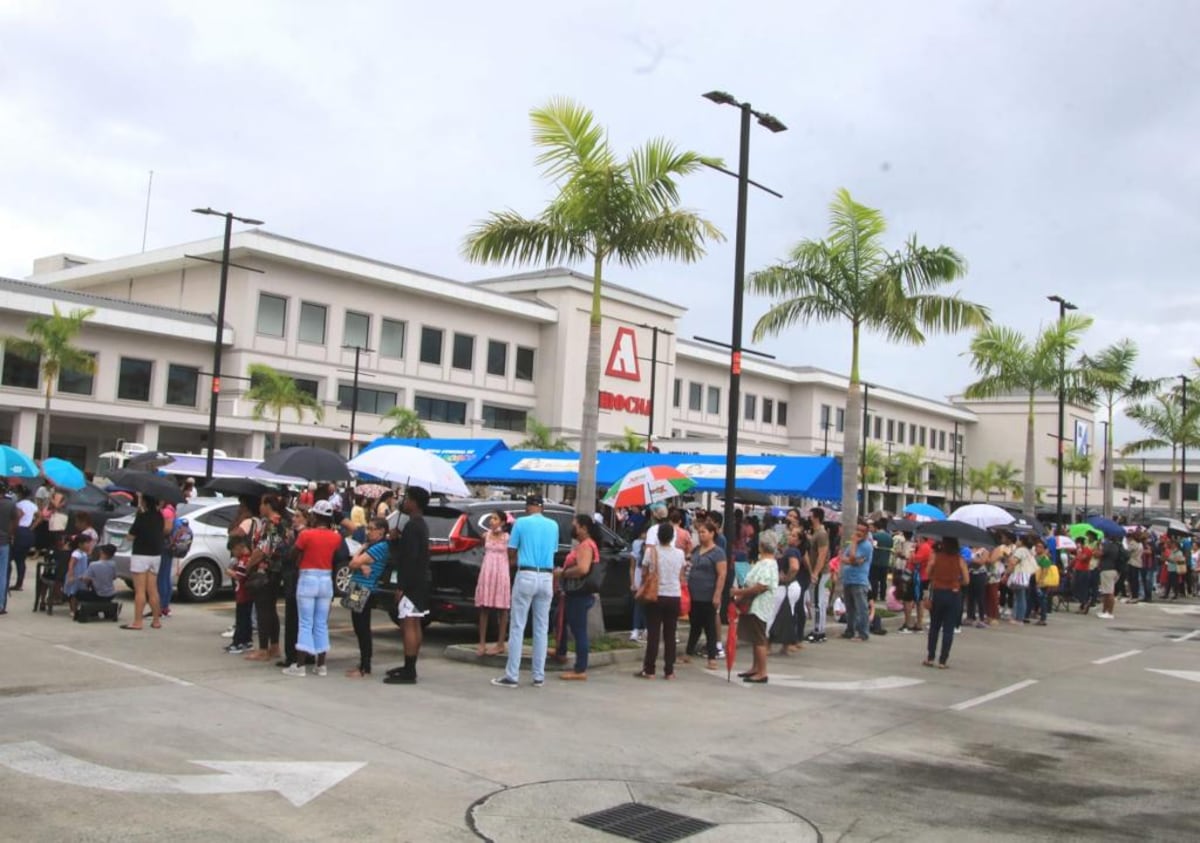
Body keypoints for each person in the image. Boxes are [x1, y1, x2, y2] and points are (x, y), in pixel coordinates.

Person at [492, 494, 557, 689]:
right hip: (546, 575)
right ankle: (539, 675)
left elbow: (511, 550)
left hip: (526, 573)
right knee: (541, 628)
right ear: (542, 508)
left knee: (518, 626)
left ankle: (512, 674)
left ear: (528, 507)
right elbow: (553, 551)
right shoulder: (553, 525)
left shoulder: (520, 523)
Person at [282, 500, 340, 677]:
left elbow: (292, 555)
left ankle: (299, 666)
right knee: (321, 623)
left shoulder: (306, 535)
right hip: (325, 579)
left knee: (305, 623)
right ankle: (321, 665)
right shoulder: (336, 536)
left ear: (315, 516)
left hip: (308, 577)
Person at [384, 486, 431, 685]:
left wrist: (401, 586)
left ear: (414, 502)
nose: (404, 501)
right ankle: (408, 665)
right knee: (415, 622)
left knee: (409, 623)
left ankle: (409, 669)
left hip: (411, 582)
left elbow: (409, 558)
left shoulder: (413, 526)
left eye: (407, 498)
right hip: (421, 580)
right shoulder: (420, 524)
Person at [635, 522, 687, 680]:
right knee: (670, 634)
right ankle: (669, 671)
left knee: (654, 634)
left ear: (658, 536)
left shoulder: (651, 552)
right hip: (674, 595)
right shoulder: (680, 554)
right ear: (672, 537)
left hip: (655, 595)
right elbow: (681, 575)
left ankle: (649, 669)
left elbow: (644, 574)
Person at [244, 495, 290, 662]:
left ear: (268, 505)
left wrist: (249, 565)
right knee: (270, 609)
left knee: (263, 608)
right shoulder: (280, 521)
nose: (260, 507)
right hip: (275, 570)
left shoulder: (273, 523)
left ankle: (263, 649)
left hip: (267, 570)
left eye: (262, 504)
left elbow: (264, 548)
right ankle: (274, 646)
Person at [730, 530, 780, 684]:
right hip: (752, 604)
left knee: (759, 639)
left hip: (759, 605)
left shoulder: (768, 564)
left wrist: (738, 591)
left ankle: (762, 671)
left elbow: (760, 587)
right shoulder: (764, 563)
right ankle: (755, 667)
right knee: (754, 637)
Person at [555, 515, 599, 681]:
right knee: (559, 618)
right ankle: (561, 651)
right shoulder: (583, 545)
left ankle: (580, 669)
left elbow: (582, 569)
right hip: (574, 593)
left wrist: (563, 573)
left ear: (584, 528)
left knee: (578, 630)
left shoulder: (586, 546)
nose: (572, 528)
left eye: (575, 525)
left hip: (579, 593)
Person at [345, 518, 391, 678]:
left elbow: (353, 563)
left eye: (372, 529)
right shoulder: (371, 546)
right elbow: (355, 564)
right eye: (368, 529)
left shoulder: (380, 547)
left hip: (364, 588)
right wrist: (361, 559)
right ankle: (363, 663)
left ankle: (365, 665)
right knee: (358, 627)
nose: (368, 532)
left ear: (381, 531)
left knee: (362, 628)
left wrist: (360, 554)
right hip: (357, 586)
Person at [683, 519, 727, 670]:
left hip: (708, 594)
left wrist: (717, 594)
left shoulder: (718, 553)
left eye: (703, 532)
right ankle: (688, 653)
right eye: (699, 532)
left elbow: (722, 575)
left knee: (710, 627)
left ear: (712, 534)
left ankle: (712, 657)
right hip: (693, 593)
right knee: (695, 625)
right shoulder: (696, 550)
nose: (700, 535)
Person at [924, 538, 969, 668]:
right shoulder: (960, 559)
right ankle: (943, 661)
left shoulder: (936, 557)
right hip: (953, 594)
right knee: (948, 629)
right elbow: (966, 580)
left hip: (938, 592)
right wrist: (956, 582)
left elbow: (927, 573)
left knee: (934, 627)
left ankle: (930, 657)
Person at [121, 494, 163, 630]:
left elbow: (131, 536)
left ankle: (137, 622)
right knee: (153, 589)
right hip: (156, 555)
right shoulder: (160, 516)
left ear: (144, 502)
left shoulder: (141, 516)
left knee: (140, 590)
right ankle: (156, 620)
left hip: (141, 554)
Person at [475, 510, 511, 657]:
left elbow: (512, 555)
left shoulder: (507, 537)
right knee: (484, 607)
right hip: (487, 572)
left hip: (501, 572)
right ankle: (482, 643)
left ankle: (500, 643)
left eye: (495, 519)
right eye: (491, 518)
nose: (492, 521)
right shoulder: (486, 535)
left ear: (502, 522)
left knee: (502, 609)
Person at [840, 521, 874, 642]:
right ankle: (850, 630)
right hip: (848, 579)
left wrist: (854, 542)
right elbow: (843, 558)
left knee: (861, 608)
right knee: (850, 608)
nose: (858, 532)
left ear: (866, 533)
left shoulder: (866, 546)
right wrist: (851, 560)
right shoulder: (852, 545)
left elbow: (854, 558)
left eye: (862, 531)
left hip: (859, 580)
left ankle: (863, 633)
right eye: (857, 529)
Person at [804, 508, 831, 643]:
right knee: (816, 601)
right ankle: (817, 629)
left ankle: (819, 631)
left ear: (816, 517)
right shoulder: (815, 533)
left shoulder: (821, 534)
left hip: (820, 572)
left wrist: (815, 572)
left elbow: (822, 554)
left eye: (810, 515)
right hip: (816, 571)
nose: (808, 517)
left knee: (818, 602)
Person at [224, 536, 254, 654]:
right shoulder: (246, 559)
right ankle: (247, 640)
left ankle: (238, 642)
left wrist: (230, 572)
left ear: (239, 548)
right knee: (246, 618)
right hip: (245, 594)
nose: (233, 554)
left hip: (243, 594)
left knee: (241, 619)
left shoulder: (243, 560)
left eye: (234, 551)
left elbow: (240, 576)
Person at [10, 485, 36, 593]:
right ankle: (19, 583)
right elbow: (40, 516)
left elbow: (20, 514)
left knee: (10, 558)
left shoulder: (19, 504)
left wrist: (13, 529)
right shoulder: (33, 505)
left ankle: (7, 581)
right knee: (21, 560)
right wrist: (32, 526)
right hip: (28, 532)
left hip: (19, 531)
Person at [64, 532, 93, 617]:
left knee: (79, 593)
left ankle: (77, 608)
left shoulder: (84, 553)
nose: (89, 545)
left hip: (81, 577)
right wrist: (71, 575)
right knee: (73, 594)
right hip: (75, 576)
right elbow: (71, 564)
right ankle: (73, 610)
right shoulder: (76, 553)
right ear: (80, 544)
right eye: (87, 543)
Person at [157, 498, 176, 619]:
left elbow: (167, 529)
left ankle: (162, 607)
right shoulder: (172, 510)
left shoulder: (166, 512)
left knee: (162, 577)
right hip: (169, 547)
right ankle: (165, 606)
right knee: (166, 576)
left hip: (164, 546)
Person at [1096, 534, 1121, 619]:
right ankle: (1105, 611)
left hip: (1107, 570)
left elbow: (1098, 554)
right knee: (1106, 592)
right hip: (1113, 570)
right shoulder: (1116, 546)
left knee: (1109, 592)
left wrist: (1098, 547)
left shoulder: (1108, 546)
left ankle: (1109, 612)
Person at [1034, 540, 1059, 625]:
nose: (1037, 548)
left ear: (1044, 549)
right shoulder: (1037, 557)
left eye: (1040, 547)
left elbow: (1045, 571)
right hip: (1037, 580)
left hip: (1042, 583)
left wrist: (1040, 582)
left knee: (1042, 600)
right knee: (1038, 599)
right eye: (1036, 546)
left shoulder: (1045, 558)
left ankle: (1043, 618)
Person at [0, 489, 15, 615]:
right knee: (2, 574)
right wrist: (10, 534)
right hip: (4, 542)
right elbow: (16, 519)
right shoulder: (10, 504)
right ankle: (0, 605)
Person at [870, 519, 892, 602]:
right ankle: (883, 596)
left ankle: (874, 596)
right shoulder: (889, 537)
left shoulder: (875, 536)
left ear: (876, 527)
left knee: (874, 580)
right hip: (885, 562)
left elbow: (873, 547)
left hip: (875, 561)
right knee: (883, 580)